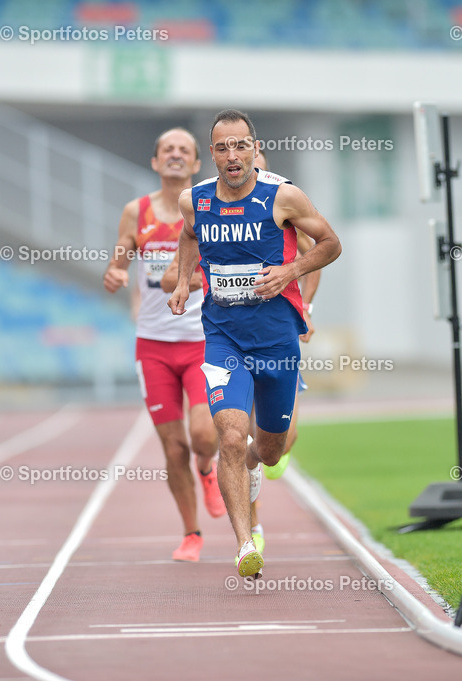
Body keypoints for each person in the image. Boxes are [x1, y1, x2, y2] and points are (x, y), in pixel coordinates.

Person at [168, 109, 342, 578]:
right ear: (212, 153)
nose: (233, 155)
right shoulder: (194, 200)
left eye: (241, 145)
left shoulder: (283, 197)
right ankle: (246, 545)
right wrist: (183, 282)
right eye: (223, 147)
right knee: (228, 434)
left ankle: (252, 465)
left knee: (270, 450)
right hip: (223, 337)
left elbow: (330, 243)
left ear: (254, 148)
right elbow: (188, 236)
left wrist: (289, 272)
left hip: (277, 340)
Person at [103, 127, 226, 563]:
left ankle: (207, 468)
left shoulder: (210, 208)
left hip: (201, 341)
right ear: (155, 162)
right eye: (167, 149)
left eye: (184, 150)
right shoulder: (135, 212)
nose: (175, 154)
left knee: (203, 435)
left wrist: (196, 279)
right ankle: (191, 533)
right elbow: (120, 257)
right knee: (173, 448)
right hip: (153, 346)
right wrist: (116, 272)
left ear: (196, 163)